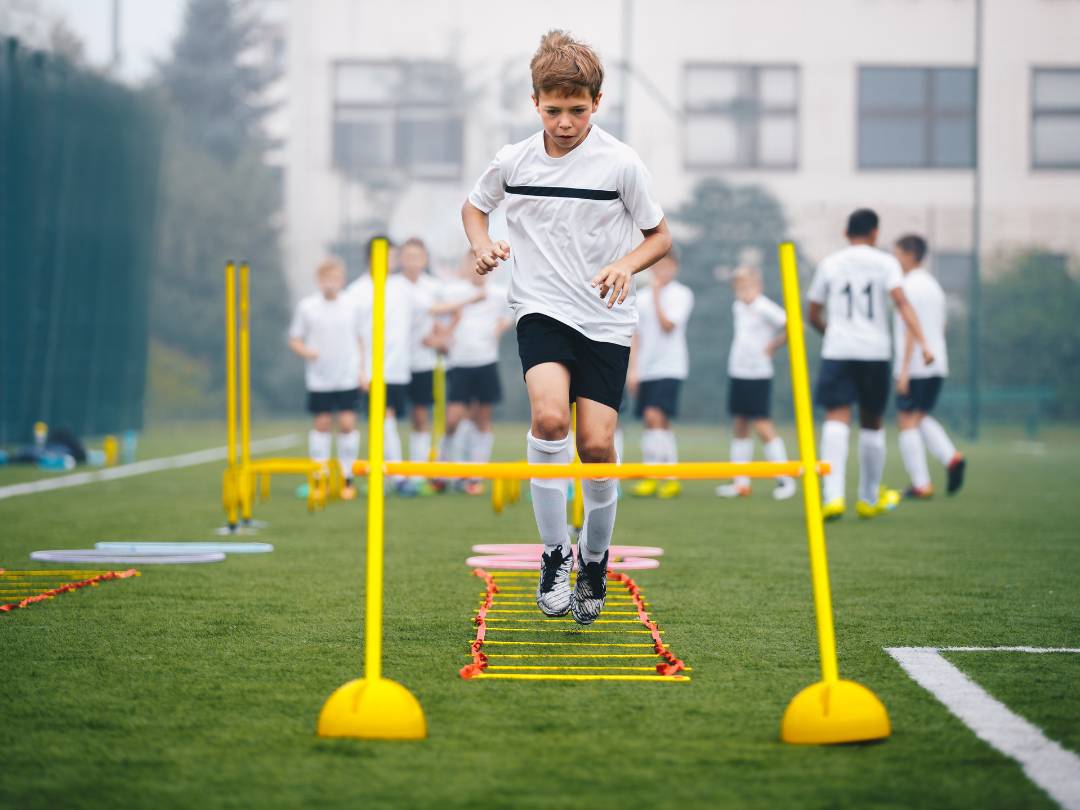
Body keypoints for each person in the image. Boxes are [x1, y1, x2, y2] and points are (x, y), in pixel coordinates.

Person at [461, 30, 671, 625]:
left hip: (605, 315)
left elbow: (660, 236)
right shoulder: (513, 160)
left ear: (596, 104)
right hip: (540, 307)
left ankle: (596, 559)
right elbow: (475, 207)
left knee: (596, 445)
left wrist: (626, 265)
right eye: (553, 110)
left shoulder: (621, 163)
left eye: (577, 110)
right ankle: (555, 553)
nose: (565, 122)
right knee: (550, 419)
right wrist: (480, 245)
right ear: (535, 104)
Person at [807, 208, 934, 521]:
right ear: (875, 233)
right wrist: (925, 344)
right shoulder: (886, 263)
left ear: (845, 233)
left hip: (839, 350)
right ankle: (867, 497)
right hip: (874, 352)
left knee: (836, 418)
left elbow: (812, 312)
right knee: (872, 421)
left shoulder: (830, 263)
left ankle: (833, 496)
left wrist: (832, 333)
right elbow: (902, 303)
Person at [892, 234, 966, 498]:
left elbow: (912, 328)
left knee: (907, 421)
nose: (895, 259)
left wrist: (903, 370)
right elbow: (941, 326)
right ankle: (951, 458)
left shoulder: (907, 286)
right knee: (919, 417)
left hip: (916, 365)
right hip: (937, 362)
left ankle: (921, 484)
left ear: (910, 255)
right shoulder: (934, 286)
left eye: (898, 253)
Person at [715, 265, 796, 501]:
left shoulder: (765, 306)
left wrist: (773, 345)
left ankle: (785, 479)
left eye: (748, 286)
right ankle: (740, 483)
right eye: (739, 287)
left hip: (758, 373)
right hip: (738, 371)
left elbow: (794, 326)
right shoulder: (738, 306)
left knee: (762, 426)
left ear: (758, 286)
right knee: (740, 424)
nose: (743, 291)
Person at [288, 257, 364, 500]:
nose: (330, 284)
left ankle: (346, 478)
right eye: (326, 279)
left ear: (342, 280)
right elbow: (295, 339)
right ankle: (318, 478)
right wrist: (307, 352)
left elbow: (361, 340)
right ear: (319, 281)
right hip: (320, 378)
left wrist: (363, 371)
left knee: (346, 425)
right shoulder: (307, 307)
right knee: (321, 425)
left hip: (347, 376)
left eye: (335, 279)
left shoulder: (352, 305)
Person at [348, 237, 415, 495]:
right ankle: (395, 477)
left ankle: (389, 475)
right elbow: (351, 335)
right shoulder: (357, 291)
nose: (393, 261)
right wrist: (359, 370)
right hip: (371, 371)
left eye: (394, 256)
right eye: (388, 255)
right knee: (382, 421)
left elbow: (430, 307)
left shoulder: (402, 287)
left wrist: (471, 298)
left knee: (389, 422)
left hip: (398, 369)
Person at [441, 252, 511, 494]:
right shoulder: (453, 291)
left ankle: (474, 475)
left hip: (486, 361)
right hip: (459, 362)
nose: (477, 267)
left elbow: (512, 311)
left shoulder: (499, 294)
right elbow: (437, 313)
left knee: (481, 419)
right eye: (471, 262)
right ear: (466, 265)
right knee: (453, 419)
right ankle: (445, 467)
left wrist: (503, 325)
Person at [627, 252, 694, 499]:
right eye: (657, 267)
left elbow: (668, 326)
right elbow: (637, 335)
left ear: (674, 267)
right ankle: (663, 476)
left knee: (654, 415)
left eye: (666, 267)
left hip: (671, 366)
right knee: (654, 422)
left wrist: (656, 296)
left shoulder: (682, 294)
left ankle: (660, 474)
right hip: (647, 368)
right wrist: (634, 370)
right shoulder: (640, 297)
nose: (661, 272)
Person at [400, 237, 451, 492]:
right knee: (388, 416)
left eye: (417, 257)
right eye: (407, 256)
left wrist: (440, 338)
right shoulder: (392, 286)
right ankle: (394, 474)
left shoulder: (434, 287)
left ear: (425, 259)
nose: (412, 261)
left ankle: (418, 472)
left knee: (421, 416)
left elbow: (447, 319)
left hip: (423, 361)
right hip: (394, 362)